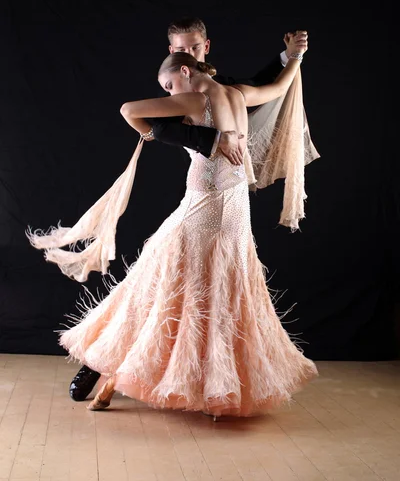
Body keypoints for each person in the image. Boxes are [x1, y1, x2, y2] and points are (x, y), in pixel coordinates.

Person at [30, 45, 318, 418]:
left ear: (185, 72)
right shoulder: (238, 93)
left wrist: (150, 135)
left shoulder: (195, 101)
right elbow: (279, 89)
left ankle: (118, 373)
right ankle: (219, 389)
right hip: (236, 209)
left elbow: (129, 111)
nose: (169, 93)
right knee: (222, 289)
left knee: (163, 282)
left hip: (204, 205)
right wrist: (295, 56)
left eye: (168, 85)